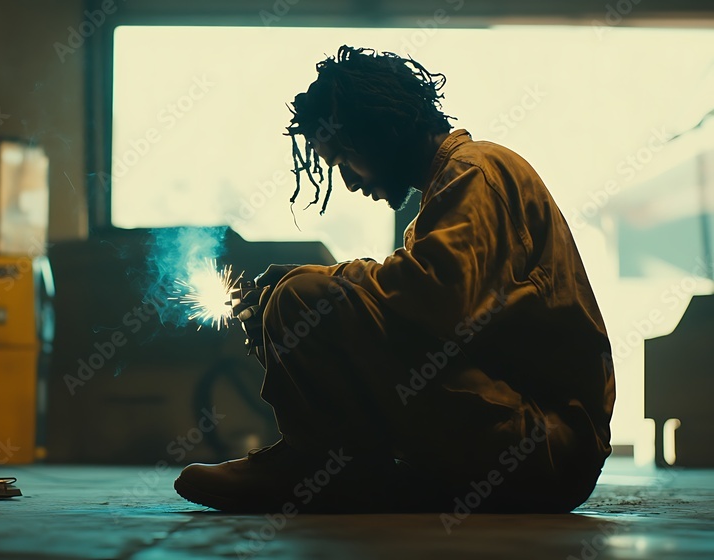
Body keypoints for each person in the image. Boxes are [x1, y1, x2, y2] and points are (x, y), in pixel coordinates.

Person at [173, 46, 616, 515]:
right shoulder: (455, 186)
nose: (347, 182)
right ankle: (341, 469)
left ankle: (311, 463)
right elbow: (426, 313)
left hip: (544, 447)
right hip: (534, 444)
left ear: (380, 129)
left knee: (303, 299)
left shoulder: (473, 172)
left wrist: (313, 291)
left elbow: (437, 296)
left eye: (344, 158)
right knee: (301, 302)